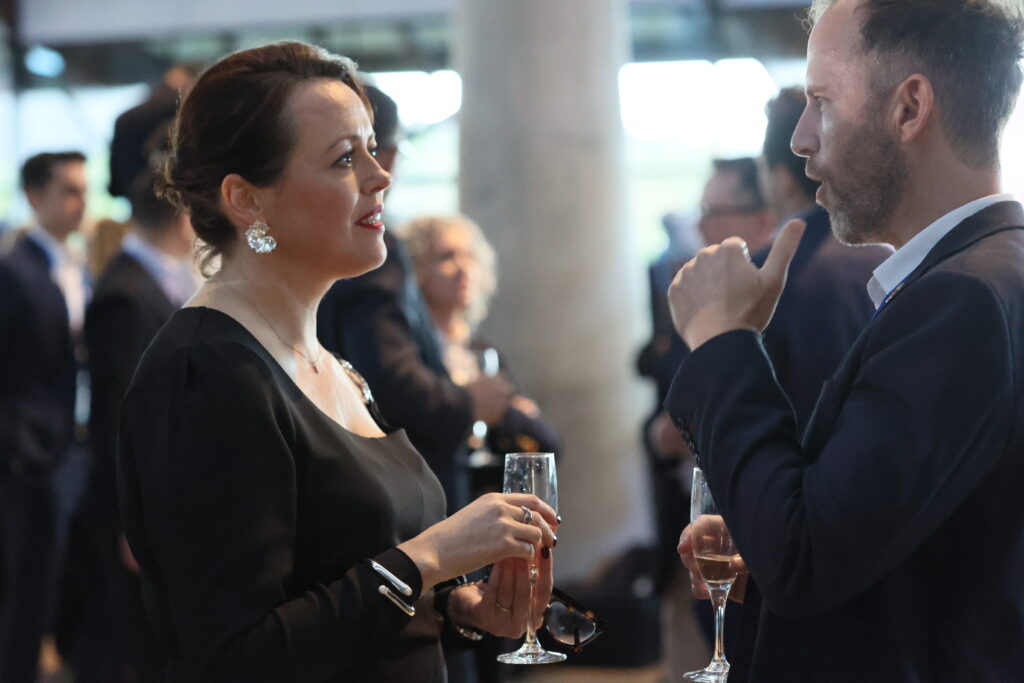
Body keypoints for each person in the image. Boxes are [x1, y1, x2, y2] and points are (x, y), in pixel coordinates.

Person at [116, 42, 558, 682]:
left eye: (373, 149)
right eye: (345, 158)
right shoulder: (206, 374)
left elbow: (341, 589)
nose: (380, 176)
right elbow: (237, 657)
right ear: (246, 200)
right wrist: (429, 558)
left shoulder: (330, 363)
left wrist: (460, 612)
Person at [669, 0, 1024, 680]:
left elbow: (807, 559)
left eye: (822, 102)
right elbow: (915, 548)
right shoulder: (983, 273)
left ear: (909, 107)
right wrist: (761, 531)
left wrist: (721, 339)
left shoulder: (963, 299)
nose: (801, 138)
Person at [317, 88, 513, 516]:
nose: (381, 176)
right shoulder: (373, 248)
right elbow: (389, 381)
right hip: (401, 492)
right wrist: (468, 402)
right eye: (351, 156)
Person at [76, 172, 198, 681]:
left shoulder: (151, 278)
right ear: (185, 217)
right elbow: (120, 419)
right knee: (133, 643)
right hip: (131, 502)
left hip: (157, 492)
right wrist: (132, 520)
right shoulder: (126, 292)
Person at [0, 151, 90, 681]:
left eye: (84, 190)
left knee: (63, 576)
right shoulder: (15, 271)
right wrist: (16, 444)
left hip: (71, 444)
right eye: (69, 191)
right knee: (28, 586)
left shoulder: (74, 265)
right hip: (30, 452)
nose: (81, 203)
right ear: (35, 197)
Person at [402, 214, 559, 482]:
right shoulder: (410, 353)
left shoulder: (482, 353)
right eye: (447, 257)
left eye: (470, 256)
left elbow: (547, 444)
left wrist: (505, 414)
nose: (464, 268)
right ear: (416, 269)